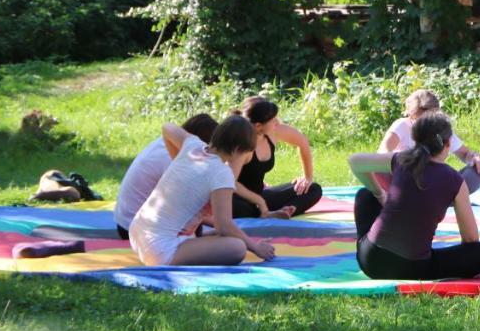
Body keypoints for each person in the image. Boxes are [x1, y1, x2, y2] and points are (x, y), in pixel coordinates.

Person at [348, 112, 480, 280]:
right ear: (448, 144)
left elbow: (354, 161)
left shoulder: (400, 160)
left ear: (416, 139)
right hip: (414, 269)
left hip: (371, 262)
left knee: (366, 195)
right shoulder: (455, 180)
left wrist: (378, 192)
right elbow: (471, 239)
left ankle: (373, 241)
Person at [128, 116, 276, 266]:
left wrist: (177, 158)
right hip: (159, 249)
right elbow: (223, 225)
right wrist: (256, 247)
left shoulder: (192, 145)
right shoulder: (221, 173)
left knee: (232, 235)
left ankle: (190, 240)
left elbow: (167, 127)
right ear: (237, 150)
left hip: (137, 232)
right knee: (237, 247)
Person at [114, 114, 218, 240]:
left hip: (126, 221)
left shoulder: (166, 144)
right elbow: (184, 204)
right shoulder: (174, 159)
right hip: (133, 228)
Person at [381, 88, 480, 193]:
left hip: (435, 184)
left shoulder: (440, 128)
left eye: (429, 120)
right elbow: (382, 154)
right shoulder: (401, 125)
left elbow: (465, 153)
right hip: (407, 183)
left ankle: (447, 197)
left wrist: (476, 157)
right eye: (419, 120)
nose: (424, 126)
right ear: (410, 114)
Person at [232, 96, 323, 219]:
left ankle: (287, 210)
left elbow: (302, 141)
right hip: (239, 197)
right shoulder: (244, 145)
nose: (277, 121)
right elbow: (228, 182)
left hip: (260, 197)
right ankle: (264, 213)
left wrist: (307, 177)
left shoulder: (273, 131)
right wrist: (259, 201)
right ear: (258, 126)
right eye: (272, 119)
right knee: (237, 208)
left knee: (313, 189)